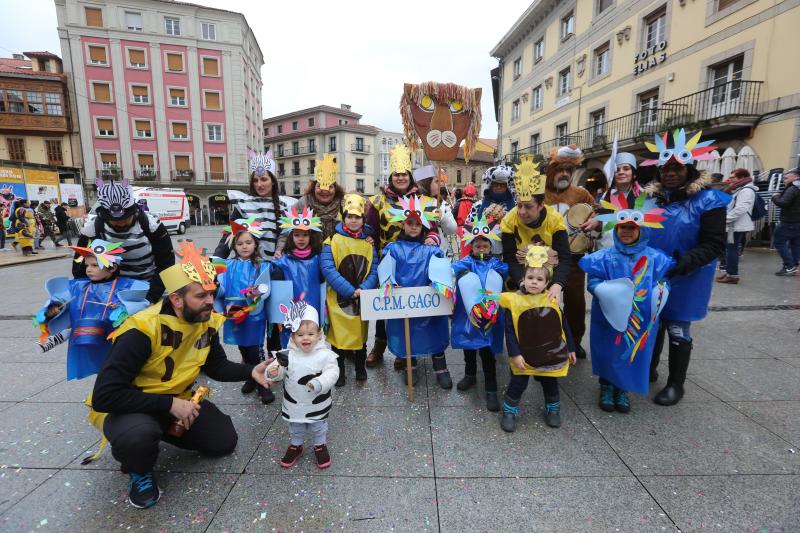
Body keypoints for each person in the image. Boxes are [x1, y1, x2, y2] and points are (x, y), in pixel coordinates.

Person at [90, 242, 271, 509]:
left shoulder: (204, 320)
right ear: (176, 299)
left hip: (178, 400)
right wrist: (170, 405)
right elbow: (104, 396)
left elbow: (216, 366)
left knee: (223, 441)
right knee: (137, 437)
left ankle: (157, 430)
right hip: (130, 405)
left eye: (212, 292)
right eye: (201, 295)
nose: (210, 301)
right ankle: (139, 467)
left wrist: (250, 371)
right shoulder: (141, 330)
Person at [641, 129, 729, 406]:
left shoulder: (709, 201)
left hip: (687, 276)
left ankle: (676, 385)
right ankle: (648, 370)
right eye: (665, 168)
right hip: (653, 274)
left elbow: (714, 243)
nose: (670, 173)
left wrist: (683, 264)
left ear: (689, 169)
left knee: (678, 328)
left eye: (677, 168)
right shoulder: (650, 201)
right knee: (652, 323)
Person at [580, 195, 674, 413]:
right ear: (616, 229)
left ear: (641, 230)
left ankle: (622, 388)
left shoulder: (654, 258)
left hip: (639, 319)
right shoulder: (603, 257)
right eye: (622, 227)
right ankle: (606, 386)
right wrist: (602, 290)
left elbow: (663, 281)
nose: (627, 232)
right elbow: (593, 281)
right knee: (608, 348)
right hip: (607, 314)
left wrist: (659, 293)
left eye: (632, 228)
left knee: (631, 350)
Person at [366, 143, 439, 368]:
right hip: (389, 260)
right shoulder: (377, 202)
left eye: (404, 174)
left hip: (417, 263)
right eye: (396, 174)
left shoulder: (425, 202)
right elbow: (371, 229)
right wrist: (369, 240)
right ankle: (379, 346)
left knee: (408, 307)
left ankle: (403, 350)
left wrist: (432, 238)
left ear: (410, 176)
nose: (400, 178)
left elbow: (434, 228)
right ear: (391, 177)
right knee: (385, 305)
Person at [34, 239, 149, 380]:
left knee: (119, 372)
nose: (88, 269)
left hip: (116, 340)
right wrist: (53, 309)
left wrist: (123, 309)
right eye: (87, 265)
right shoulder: (78, 287)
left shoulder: (127, 286)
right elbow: (61, 299)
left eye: (95, 265)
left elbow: (141, 307)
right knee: (101, 370)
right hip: (87, 336)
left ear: (112, 268)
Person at [377, 194, 454, 388]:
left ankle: (440, 367)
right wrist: (390, 283)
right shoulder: (393, 248)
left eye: (417, 224)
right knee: (406, 333)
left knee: (434, 330)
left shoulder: (430, 249)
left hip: (428, 301)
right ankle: (410, 367)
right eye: (410, 223)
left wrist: (440, 285)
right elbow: (387, 267)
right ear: (403, 224)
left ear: (424, 227)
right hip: (404, 303)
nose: (413, 227)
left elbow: (440, 268)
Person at [499, 246, 577, 431]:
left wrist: (571, 348)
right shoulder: (514, 301)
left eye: (539, 279)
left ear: (547, 282)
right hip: (523, 355)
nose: (534, 282)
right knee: (518, 383)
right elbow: (509, 332)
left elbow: (563, 325)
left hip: (550, 353)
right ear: (523, 279)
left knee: (550, 382)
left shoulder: (552, 300)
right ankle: (510, 410)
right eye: (530, 278)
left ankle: (553, 409)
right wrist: (515, 354)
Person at [264, 299, 339, 469]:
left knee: (318, 425)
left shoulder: (325, 355)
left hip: (317, 403)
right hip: (295, 402)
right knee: (295, 425)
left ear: (319, 334)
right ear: (293, 336)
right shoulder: (287, 355)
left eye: (310, 334)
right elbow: (278, 370)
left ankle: (320, 444)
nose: (305, 338)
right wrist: (273, 372)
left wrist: (320, 382)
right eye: (300, 335)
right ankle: (296, 445)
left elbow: (332, 372)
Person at [74, 179, 174, 304]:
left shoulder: (152, 225)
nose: (121, 222)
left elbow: (166, 264)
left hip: (149, 285)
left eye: (125, 218)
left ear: (134, 211)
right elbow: (79, 264)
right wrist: (82, 295)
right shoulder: (93, 228)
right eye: (114, 220)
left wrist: (151, 297)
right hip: (111, 289)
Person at [543, 145, 597, 359]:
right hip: (544, 261)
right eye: (560, 169)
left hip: (574, 259)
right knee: (546, 302)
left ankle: (574, 340)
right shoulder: (540, 191)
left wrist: (595, 223)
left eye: (569, 170)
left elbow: (597, 215)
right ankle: (547, 338)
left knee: (576, 302)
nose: (565, 174)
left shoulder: (581, 194)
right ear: (551, 169)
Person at [451, 215, 508, 411]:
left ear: (491, 247)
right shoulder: (466, 262)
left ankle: (491, 389)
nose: (481, 250)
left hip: (490, 316)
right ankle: (470, 375)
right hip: (468, 316)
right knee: (469, 347)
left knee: (487, 352)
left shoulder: (496, 264)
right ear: (472, 247)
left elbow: (505, 270)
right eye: (477, 246)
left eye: (485, 246)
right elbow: (453, 269)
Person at [320, 193, 378, 385]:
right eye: (350, 216)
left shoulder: (369, 244)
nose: (353, 220)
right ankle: (340, 372)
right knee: (337, 339)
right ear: (343, 218)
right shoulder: (332, 241)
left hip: (361, 298)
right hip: (338, 299)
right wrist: (348, 290)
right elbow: (328, 269)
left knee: (360, 336)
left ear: (363, 220)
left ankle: (360, 368)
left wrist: (363, 288)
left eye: (357, 217)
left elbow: (374, 269)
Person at [214, 219, 274, 404]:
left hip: (254, 313)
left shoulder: (262, 265)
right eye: (239, 243)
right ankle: (250, 375)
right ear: (234, 246)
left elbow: (265, 286)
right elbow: (221, 284)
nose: (244, 246)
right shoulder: (228, 265)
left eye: (248, 242)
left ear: (256, 244)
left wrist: (255, 292)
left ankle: (263, 383)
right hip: (233, 312)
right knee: (242, 347)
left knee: (255, 349)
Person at [499, 156, 571, 300]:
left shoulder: (555, 220)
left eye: (528, 206)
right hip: (518, 281)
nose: (522, 212)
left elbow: (564, 258)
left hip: (547, 282)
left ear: (541, 205)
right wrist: (522, 282)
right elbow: (510, 258)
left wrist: (557, 283)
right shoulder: (508, 221)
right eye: (519, 205)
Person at [214, 150, 286, 261]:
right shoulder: (243, 204)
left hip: (276, 267)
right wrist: (216, 258)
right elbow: (229, 235)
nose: (259, 184)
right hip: (247, 267)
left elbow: (287, 238)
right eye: (255, 180)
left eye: (264, 179)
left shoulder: (285, 206)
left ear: (272, 181)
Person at [273, 206, 325, 348]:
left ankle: (314, 368)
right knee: (293, 340)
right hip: (292, 308)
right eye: (296, 235)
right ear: (290, 236)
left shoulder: (318, 258)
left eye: (305, 235)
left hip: (313, 306)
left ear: (311, 236)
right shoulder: (283, 261)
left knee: (312, 340)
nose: (301, 239)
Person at [274, 153, 344, 257]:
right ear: (314, 188)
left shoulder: (343, 205)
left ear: (335, 189)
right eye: (320, 186)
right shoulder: (304, 203)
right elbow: (287, 228)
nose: (325, 190)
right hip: (310, 257)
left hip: (336, 257)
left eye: (330, 186)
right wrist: (279, 249)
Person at [592, 152, 643, 250]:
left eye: (626, 169)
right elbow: (604, 224)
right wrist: (597, 222)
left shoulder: (643, 196)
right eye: (617, 170)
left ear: (634, 174)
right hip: (606, 249)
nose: (621, 172)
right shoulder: (606, 195)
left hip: (632, 252)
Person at [465, 165, 516, 257]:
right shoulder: (478, 205)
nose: (499, 187)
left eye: (502, 185)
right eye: (496, 184)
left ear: (507, 186)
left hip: (510, 253)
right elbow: (468, 226)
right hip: (483, 252)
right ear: (490, 186)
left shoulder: (515, 207)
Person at [717, 168, 757, 284]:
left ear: (742, 177)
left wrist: (726, 219)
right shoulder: (741, 189)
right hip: (735, 224)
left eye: (733, 177)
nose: (731, 179)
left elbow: (740, 209)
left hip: (736, 225)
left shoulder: (746, 191)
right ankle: (730, 272)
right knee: (730, 249)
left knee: (731, 250)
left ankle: (732, 275)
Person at [771, 167, 800, 276]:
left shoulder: (793, 188)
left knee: (779, 242)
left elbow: (783, 203)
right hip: (797, 222)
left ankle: (789, 266)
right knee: (795, 244)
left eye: (786, 178)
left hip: (789, 221)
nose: (784, 180)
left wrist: (775, 197)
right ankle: (793, 266)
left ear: (796, 177)